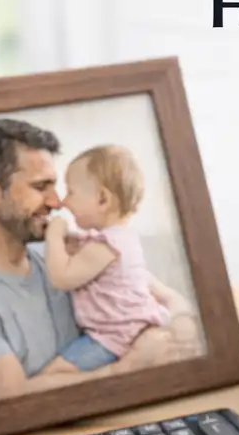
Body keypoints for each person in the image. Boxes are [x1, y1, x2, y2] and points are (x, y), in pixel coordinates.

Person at [0, 118, 195, 403]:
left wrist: (167, 331)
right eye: (41, 187)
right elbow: (9, 400)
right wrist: (127, 368)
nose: (57, 202)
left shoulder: (57, 253)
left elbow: (153, 294)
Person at [41, 145, 170, 373]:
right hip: (130, 328)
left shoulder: (105, 246)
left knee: (54, 374)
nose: (64, 202)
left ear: (102, 199)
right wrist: (69, 242)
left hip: (115, 336)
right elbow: (86, 254)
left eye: (71, 192)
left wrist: (53, 237)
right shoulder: (119, 239)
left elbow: (61, 278)